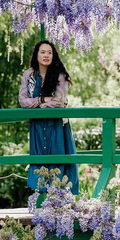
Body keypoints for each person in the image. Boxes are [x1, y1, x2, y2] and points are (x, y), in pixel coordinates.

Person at [19, 40, 79, 195]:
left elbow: (59, 102)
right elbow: (23, 101)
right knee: (39, 161)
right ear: (36, 55)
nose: (46, 55)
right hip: (38, 126)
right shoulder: (29, 75)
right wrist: (43, 100)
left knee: (59, 161)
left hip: (57, 125)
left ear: (54, 56)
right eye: (43, 52)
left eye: (49, 52)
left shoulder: (60, 76)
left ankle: (59, 203)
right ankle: (42, 205)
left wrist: (39, 104)